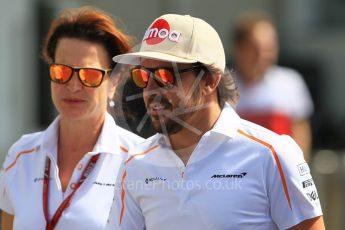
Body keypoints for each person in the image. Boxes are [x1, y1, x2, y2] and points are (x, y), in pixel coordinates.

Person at [106, 14, 324, 229]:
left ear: (209, 80)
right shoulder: (134, 164)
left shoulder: (272, 154)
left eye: (165, 76)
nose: (150, 90)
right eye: (142, 76)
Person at [0, 7, 143, 230]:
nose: (73, 86)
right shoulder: (21, 155)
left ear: (114, 81)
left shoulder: (140, 161)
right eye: (61, 72)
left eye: (89, 75)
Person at [232, 13, 314, 161]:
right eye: (255, 47)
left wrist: (299, 168)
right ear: (239, 48)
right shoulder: (220, 85)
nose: (263, 54)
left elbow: (301, 131)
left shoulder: (290, 82)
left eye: (269, 47)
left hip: (279, 172)